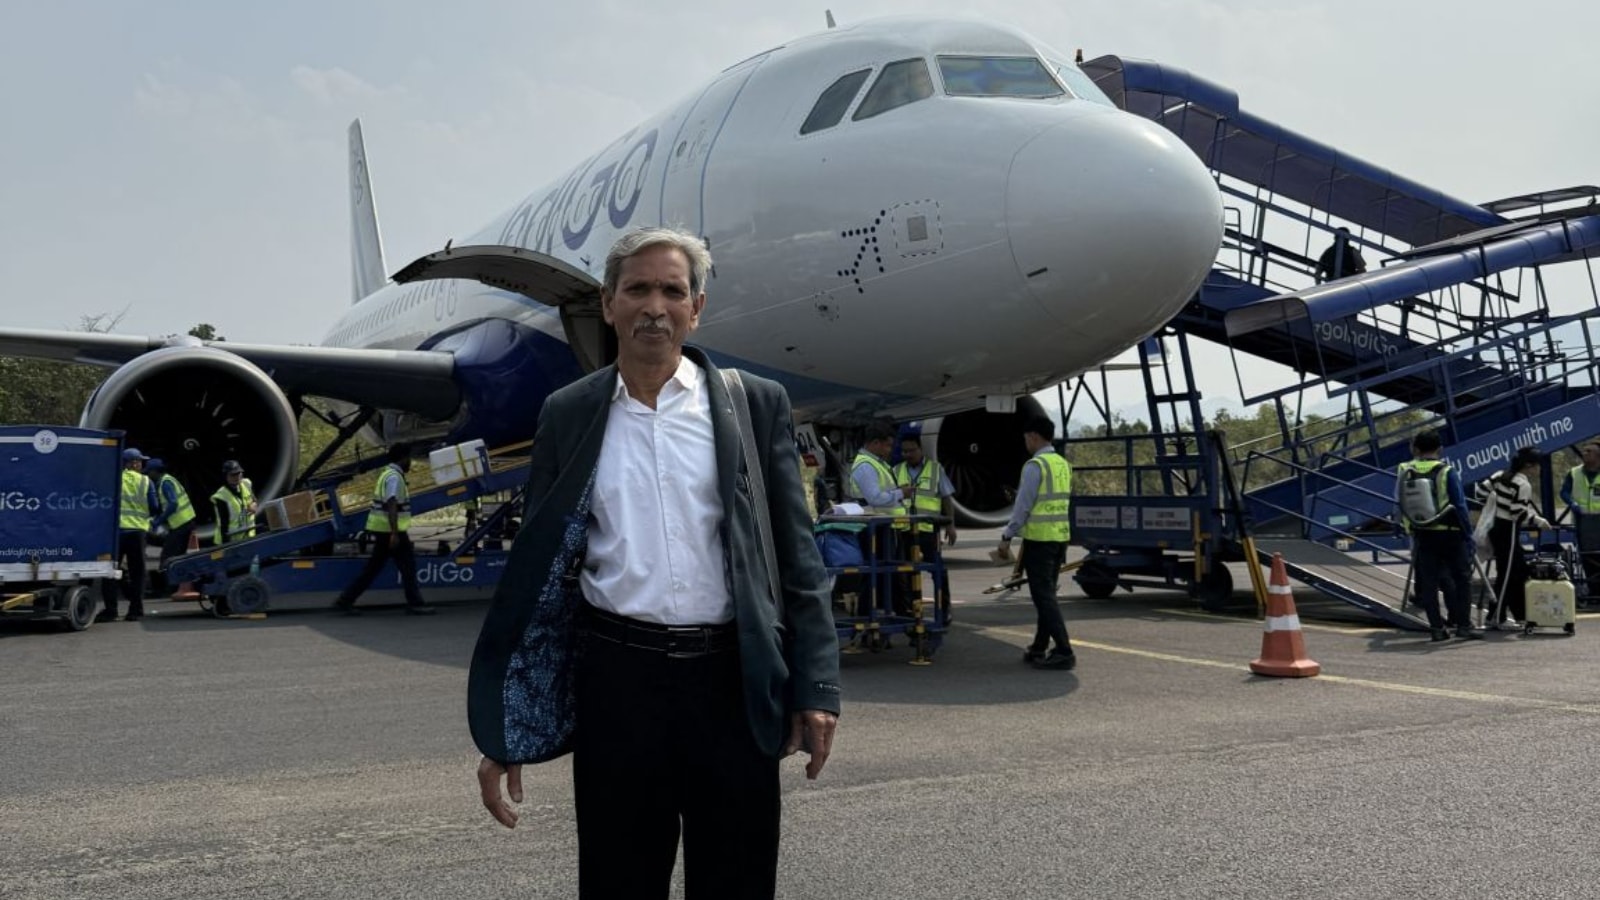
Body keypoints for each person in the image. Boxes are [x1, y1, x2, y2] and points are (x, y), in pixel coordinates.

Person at [470, 226, 840, 899]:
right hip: (619, 685)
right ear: (608, 304)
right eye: (637, 289)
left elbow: (798, 556)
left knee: (737, 882)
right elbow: (541, 576)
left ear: (696, 308)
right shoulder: (569, 414)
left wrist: (816, 686)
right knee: (619, 882)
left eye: (672, 291)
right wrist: (508, 725)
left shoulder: (754, 406)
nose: (654, 307)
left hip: (732, 682)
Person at [996, 417, 1077, 670]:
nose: (1025, 443)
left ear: (1033, 436)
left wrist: (1007, 536)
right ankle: (1039, 647)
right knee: (1047, 594)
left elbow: (1023, 506)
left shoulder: (1035, 466)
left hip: (1040, 540)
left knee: (1043, 597)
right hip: (1060, 538)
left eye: (1026, 438)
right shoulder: (1063, 464)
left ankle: (1064, 650)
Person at [1397, 430, 1480, 641]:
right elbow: (1459, 505)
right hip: (1450, 533)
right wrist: (1468, 535)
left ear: (1416, 449)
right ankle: (1464, 625)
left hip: (1423, 533)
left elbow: (1400, 502)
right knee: (1462, 579)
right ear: (1440, 449)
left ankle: (1437, 628)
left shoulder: (1405, 470)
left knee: (1429, 583)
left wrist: (1409, 528)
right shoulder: (1447, 471)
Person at [333, 444, 434, 616]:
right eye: (408, 458)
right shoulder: (394, 477)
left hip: (384, 529)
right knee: (407, 566)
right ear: (402, 458)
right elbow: (391, 503)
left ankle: (345, 600)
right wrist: (394, 533)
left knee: (374, 568)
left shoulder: (387, 474)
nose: (410, 462)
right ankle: (415, 603)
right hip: (390, 531)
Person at [1474, 447, 1551, 628]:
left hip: (1496, 527)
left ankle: (1519, 615)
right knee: (1507, 574)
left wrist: (1497, 502)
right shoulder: (1523, 485)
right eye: (1537, 465)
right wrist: (1538, 521)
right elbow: (1517, 513)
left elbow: (1480, 493)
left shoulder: (1500, 475)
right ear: (1529, 465)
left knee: (1518, 571)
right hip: (1508, 530)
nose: (1539, 469)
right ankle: (1496, 617)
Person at [849, 420, 914, 613]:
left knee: (890, 573)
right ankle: (868, 615)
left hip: (886, 527)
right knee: (874, 574)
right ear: (875, 443)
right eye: (887, 445)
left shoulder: (877, 463)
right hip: (875, 529)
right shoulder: (866, 466)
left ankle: (896, 611)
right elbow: (875, 498)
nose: (890, 450)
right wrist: (901, 493)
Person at [894, 431, 957, 614]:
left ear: (921, 449)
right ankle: (909, 610)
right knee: (905, 572)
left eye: (911, 450)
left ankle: (944, 609)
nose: (907, 454)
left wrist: (950, 525)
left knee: (938, 571)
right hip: (904, 530)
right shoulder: (896, 471)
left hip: (928, 530)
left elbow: (946, 498)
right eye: (904, 451)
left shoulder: (936, 470)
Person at [97, 447, 153, 623]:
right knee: (138, 573)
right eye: (140, 461)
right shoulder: (146, 481)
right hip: (138, 532)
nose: (141, 464)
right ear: (133, 463)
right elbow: (154, 506)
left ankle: (111, 611)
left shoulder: (113, 479)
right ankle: (135, 610)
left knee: (111, 571)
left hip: (116, 533)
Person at [144, 458, 196, 595]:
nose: (148, 476)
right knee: (177, 557)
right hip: (184, 522)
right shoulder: (168, 480)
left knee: (167, 557)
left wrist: (159, 521)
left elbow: (173, 504)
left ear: (155, 472)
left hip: (181, 524)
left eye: (149, 472)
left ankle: (168, 588)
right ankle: (176, 587)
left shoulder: (165, 483)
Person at [1559, 441, 1600, 597]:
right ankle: (1593, 590)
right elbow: (1564, 492)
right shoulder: (1574, 473)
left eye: (1589, 451)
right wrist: (1572, 503)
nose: (1584, 453)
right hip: (1583, 520)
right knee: (1587, 555)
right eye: (1584, 450)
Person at [210, 459, 258, 545]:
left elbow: (254, 500)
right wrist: (225, 545)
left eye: (238, 473)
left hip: (249, 537)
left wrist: (254, 505)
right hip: (232, 540)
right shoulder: (221, 496)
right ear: (225, 476)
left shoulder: (247, 484)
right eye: (233, 475)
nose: (236, 477)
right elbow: (223, 524)